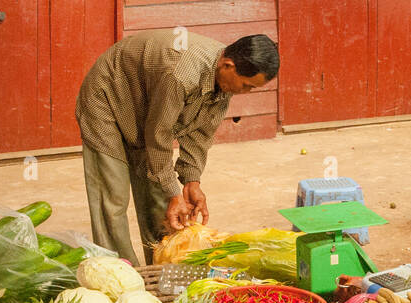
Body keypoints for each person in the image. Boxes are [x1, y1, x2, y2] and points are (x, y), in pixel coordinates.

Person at [76, 31, 279, 264]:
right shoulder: (181, 75)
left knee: (161, 195)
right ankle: (119, 269)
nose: (246, 92)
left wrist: (192, 181)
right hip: (108, 97)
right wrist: (174, 191)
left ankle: (162, 263)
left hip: (146, 108)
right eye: (247, 86)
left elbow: (200, 133)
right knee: (112, 198)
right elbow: (158, 135)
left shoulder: (224, 79)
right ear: (228, 65)